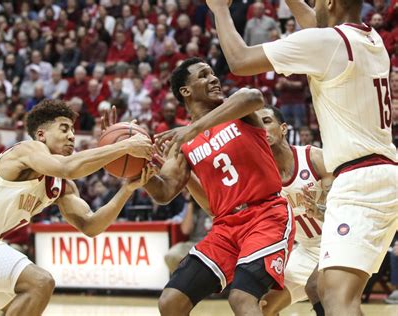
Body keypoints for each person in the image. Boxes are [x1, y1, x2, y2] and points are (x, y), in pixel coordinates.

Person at [158, 1, 398, 314]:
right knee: (321, 288)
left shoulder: (328, 43)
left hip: (358, 179)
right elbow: (318, 26)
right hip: (379, 172)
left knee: (336, 297)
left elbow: (240, 61)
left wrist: (218, 9)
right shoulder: (370, 39)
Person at [0, 99, 156, 315]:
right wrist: (124, 146)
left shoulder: (61, 186)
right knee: (40, 283)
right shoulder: (26, 150)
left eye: (73, 131)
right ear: (41, 135)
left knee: (23, 305)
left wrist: (126, 189)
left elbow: (90, 225)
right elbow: (67, 167)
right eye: (64, 128)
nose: (71, 136)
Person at [139, 58, 295, 315]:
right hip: (225, 227)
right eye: (203, 75)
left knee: (242, 298)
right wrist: (139, 171)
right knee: (171, 301)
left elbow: (253, 96)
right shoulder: (183, 142)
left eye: (212, 73)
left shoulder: (237, 111)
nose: (213, 78)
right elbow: (165, 192)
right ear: (185, 91)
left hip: (266, 215)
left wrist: (194, 128)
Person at [257, 106, 333, 316]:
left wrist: (322, 211)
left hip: (336, 239)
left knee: (315, 288)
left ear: (283, 128)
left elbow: (344, 209)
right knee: (263, 307)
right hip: (306, 248)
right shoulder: (262, 178)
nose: (261, 128)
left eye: (266, 121)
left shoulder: (313, 158)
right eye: (256, 124)